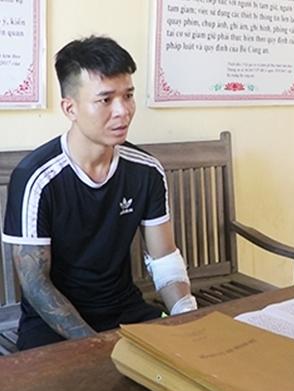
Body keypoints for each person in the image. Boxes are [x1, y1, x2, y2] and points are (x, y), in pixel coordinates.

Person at [2, 36, 198, 351]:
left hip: (125, 309)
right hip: (52, 323)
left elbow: (164, 258)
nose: (123, 111)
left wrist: (185, 313)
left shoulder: (146, 170)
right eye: (105, 100)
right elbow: (36, 284)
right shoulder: (35, 178)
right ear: (70, 108)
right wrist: (98, 344)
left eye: (128, 95)